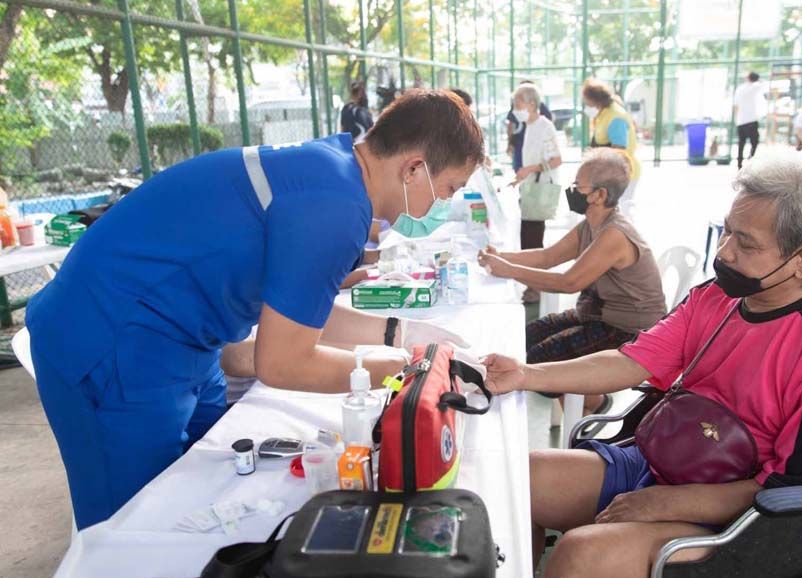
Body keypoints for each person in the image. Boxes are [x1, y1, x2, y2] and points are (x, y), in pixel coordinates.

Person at [26, 90, 484, 529]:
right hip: (111, 340)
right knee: (133, 528)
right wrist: (394, 370)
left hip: (184, 338)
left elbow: (297, 308)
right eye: (448, 189)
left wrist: (398, 333)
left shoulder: (336, 169)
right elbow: (282, 362)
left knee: (208, 495)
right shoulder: (335, 207)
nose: (443, 205)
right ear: (414, 169)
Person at [484, 149, 802, 578]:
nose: (725, 253)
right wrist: (525, 375)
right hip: (663, 462)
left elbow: (788, 492)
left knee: (579, 558)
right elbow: (632, 361)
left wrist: (661, 502)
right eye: (727, 232)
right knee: (513, 482)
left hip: (747, 522)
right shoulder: (717, 297)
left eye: (745, 242)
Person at [479, 149, 665, 415]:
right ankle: (586, 401)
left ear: (600, 195)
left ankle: (591, 406)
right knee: (529, 335)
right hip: (598, 314)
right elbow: (547, 257)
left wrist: (508, 270)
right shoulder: (590, 224)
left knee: (541, 358)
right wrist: (499, 257)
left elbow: (568, 283)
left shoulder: (615, 234)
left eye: (578, 186)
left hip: (629, 328)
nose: (572, 191)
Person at [509, 82, 563, 303]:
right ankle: (532, 285)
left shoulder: (544, 126)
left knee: (532, 240)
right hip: (530, 187)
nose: (515, 108)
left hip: (540, 189)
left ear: (531, 104)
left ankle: (536, 287)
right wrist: (521, 176)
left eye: (518, 103)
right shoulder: (528, 126)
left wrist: (530, 169)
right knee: (527, 238)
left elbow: (556, 160)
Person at [582, 78, 641, 202]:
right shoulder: (604, 114)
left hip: (621, 175)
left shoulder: (615, 117)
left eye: (588, 103)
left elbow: (619, 150)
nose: (587, 107)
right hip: (609, 174)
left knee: (619, 209)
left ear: (596, 100)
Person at [506, 80, 553, 173]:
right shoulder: (527, 124)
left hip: (537, 154)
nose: (516, 110)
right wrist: (510, 143)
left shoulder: (544, 124)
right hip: (520, 144)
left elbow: (555, 160)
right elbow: (511, 125)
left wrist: (531, 169)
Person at [734, 71, 766, 169]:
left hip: (741, 120)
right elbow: (763, 83)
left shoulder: (740, 89)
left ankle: (739, 163)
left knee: (741, 143)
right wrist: (757, 79)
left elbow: (735, 105)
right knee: (754, 142)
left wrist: (736, 118)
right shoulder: (755, 87)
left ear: (748, 78)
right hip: (751, 120)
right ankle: (750, 159)